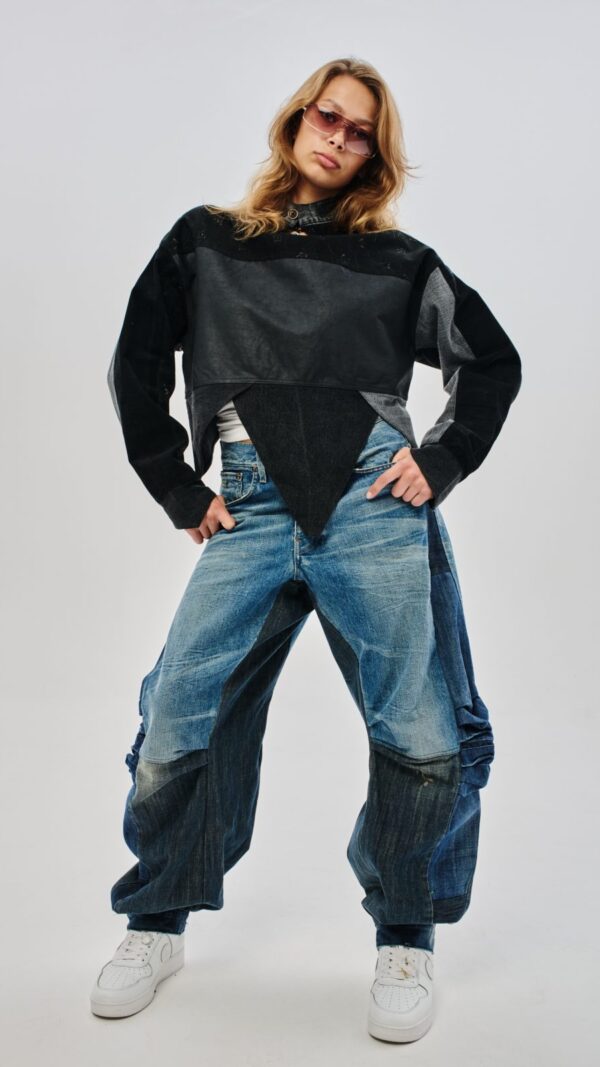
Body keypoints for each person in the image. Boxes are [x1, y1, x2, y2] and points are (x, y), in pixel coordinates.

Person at [90, 57, 522, 1043]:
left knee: (419, 723)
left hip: (372, 506)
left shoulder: (397, 262)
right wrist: (176, 484)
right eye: (329, 116)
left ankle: (406, 935)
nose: (339, 137)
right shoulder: (206, 243)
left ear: (376, 153)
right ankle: (156, 922)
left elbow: (490, 359)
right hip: (247, 505)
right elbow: (137, 355)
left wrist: (442, 458)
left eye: (361, 131)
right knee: (179, 709)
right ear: (296, 121)